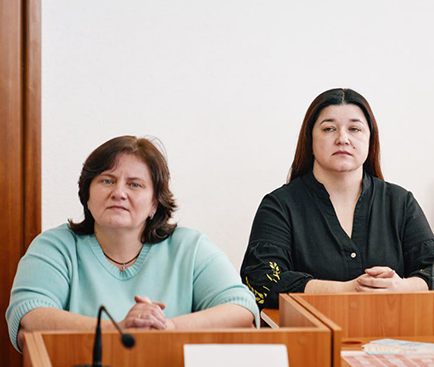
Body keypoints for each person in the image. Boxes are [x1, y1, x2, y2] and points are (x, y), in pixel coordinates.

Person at [6, 136, 259, 353]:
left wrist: (168, 327)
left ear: (154, 204)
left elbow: (241, 308)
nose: (119, 193)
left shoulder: (190, 247)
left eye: (134, 184)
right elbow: (29, 315)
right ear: (87, 194)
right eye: (107, 180)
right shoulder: (55, 246)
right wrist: (117, 329)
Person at [241, 88, 434, 309]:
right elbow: (260, 281)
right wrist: (348, 289)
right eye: (329, 129)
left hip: (390, 329)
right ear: (310, 139)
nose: (343, 139)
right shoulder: (279, 206)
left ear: (370, 140)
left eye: (355, 129)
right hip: (311, 330)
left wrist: (401, 286)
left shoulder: (399, 202)